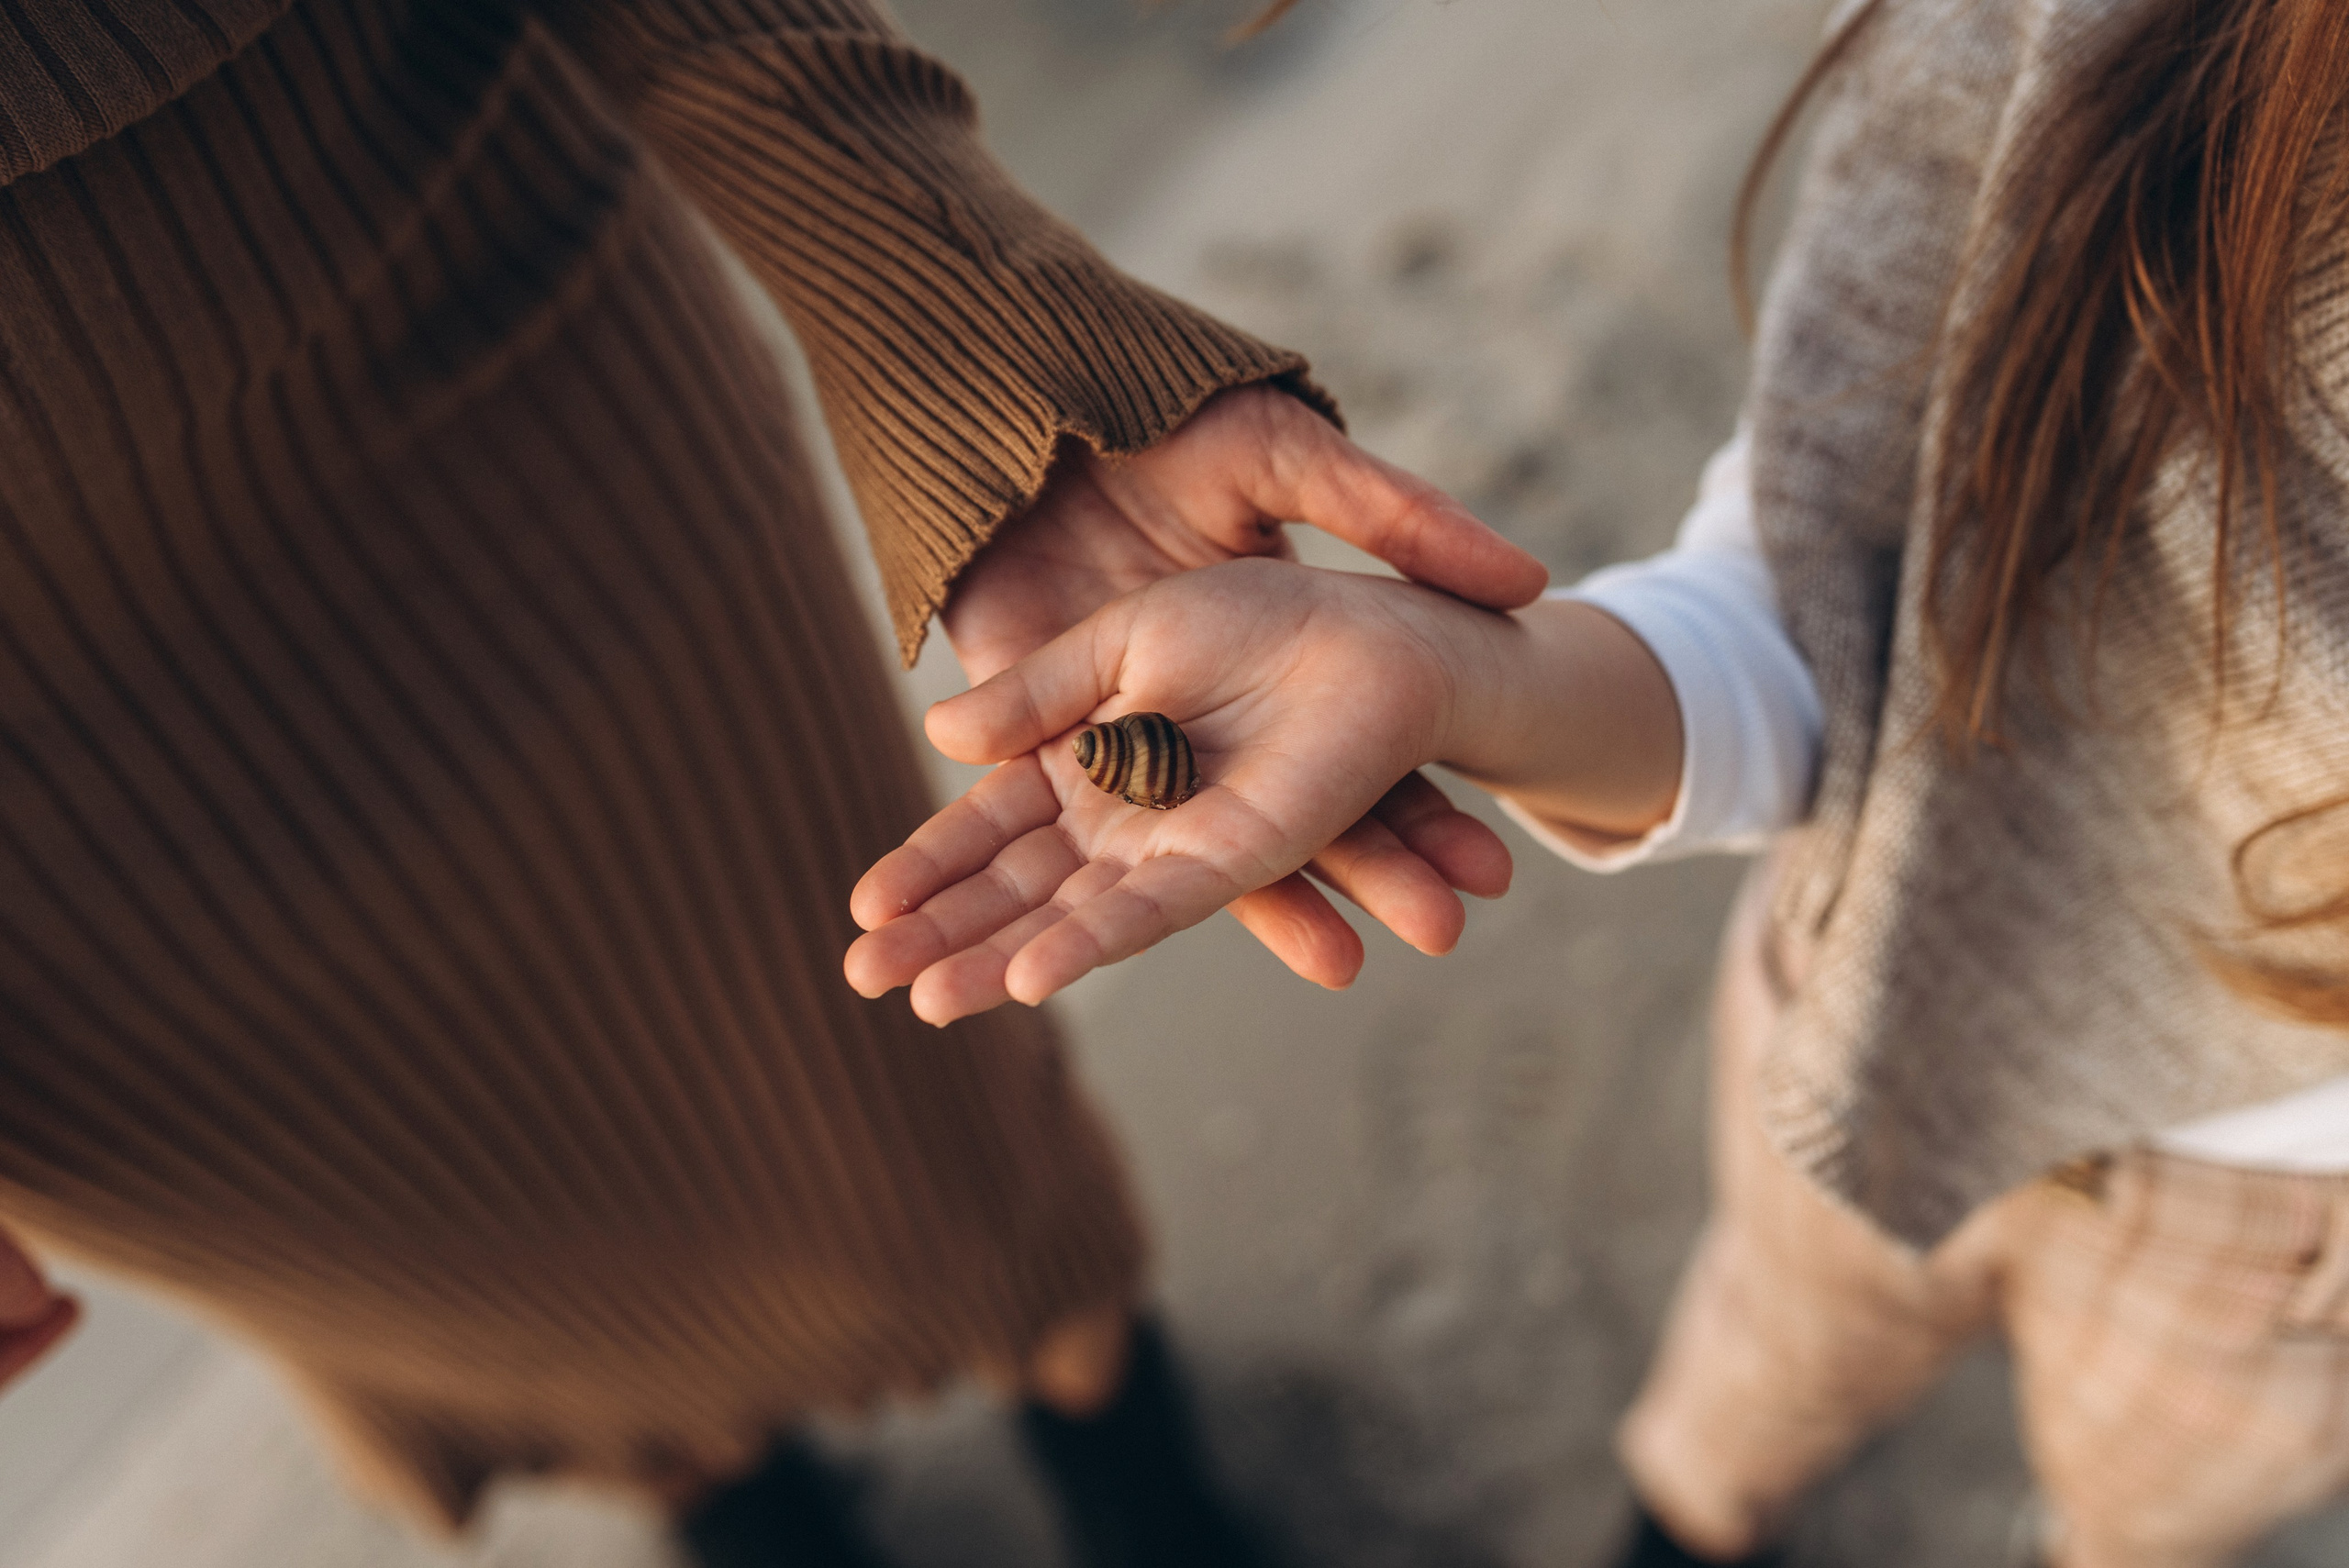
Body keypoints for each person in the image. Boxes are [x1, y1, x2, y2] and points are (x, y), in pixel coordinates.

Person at [0, 1, 1550, 1563]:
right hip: (59, 902)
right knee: (476, 1270)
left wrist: (954, 297)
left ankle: (1121, 1451)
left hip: (493, 416)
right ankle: (730, 1491)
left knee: (899, 1088)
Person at [847, 2, 2349, 1564]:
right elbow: (1815, 616)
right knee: (1748, 1381)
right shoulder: (2128, 46)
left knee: (2140, 1521)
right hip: (1882, 981)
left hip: (2293, 1236)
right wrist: (1461, 677)